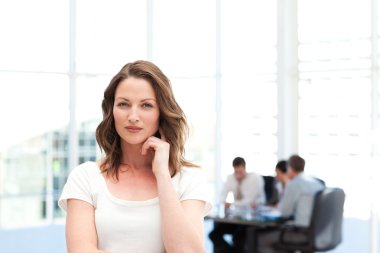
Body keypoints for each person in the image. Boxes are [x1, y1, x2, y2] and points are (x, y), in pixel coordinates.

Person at [58, 60, 212, 253]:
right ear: (111, 110)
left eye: (146, 105)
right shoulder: (85, 177)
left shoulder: (190, 179)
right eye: (123, 104)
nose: (133, 116)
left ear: (161, 113)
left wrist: (162, 175)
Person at [257, 154, 325, 253]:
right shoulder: (317, 183)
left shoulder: (294, 184)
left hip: (302, 233)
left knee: (260, 240)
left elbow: (284, 212)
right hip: (317, 233)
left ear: (290, 168)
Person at [209, 157, 265, 253]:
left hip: (253, 219)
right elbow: (222, 196)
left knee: (237, 238)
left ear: (245, 168)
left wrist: (232, 204)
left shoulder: (254, 178)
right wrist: (225, 202)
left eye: (240, 172)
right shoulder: (231, 178)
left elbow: (248, 201)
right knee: (214, 234)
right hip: (238, 218)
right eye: (236, 172)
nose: (238, 175)